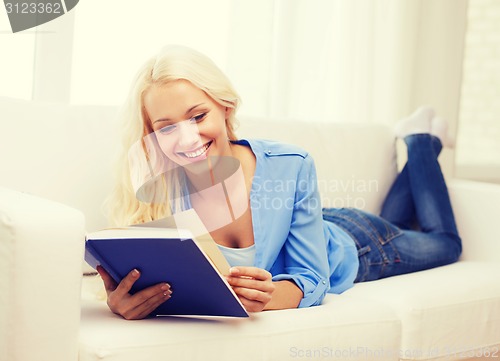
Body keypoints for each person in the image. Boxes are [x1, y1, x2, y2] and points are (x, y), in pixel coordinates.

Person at [97, 45, 461, 320]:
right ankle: (417, 149)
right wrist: (121, 302)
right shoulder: (156, 194)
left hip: (357, 243)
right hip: (316, 223)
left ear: (225, 107)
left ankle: (420, 142)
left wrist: (267, 298)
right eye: (167, 128)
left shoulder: (291, 163)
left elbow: (313, 278)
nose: (188, 138)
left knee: (445, 245)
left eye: (198, 116)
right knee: (397, 221)